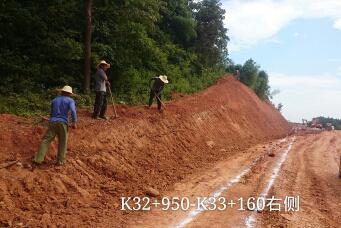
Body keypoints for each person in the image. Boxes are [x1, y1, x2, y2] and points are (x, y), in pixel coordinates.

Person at [33, 85, 77, 166]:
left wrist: (51, 120)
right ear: (69, 93)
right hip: (63, 123)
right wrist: (74, 122)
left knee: (46, 140)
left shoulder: (54, 100)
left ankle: (38, 159)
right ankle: (60, 161)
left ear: (62, 92)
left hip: (53, 122)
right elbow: (73, 111)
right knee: (63, 142)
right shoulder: (70, 100)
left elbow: (52, 113)